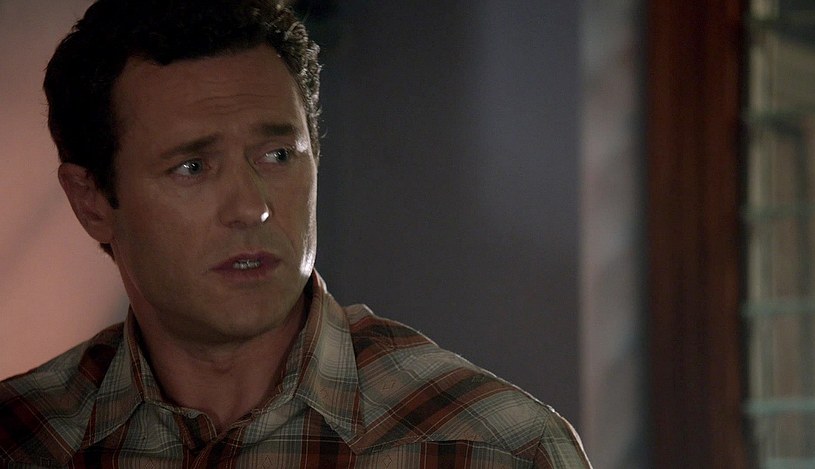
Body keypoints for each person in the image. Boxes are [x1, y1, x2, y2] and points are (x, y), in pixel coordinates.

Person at [0, 0, 592, 467]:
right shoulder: (24, 438)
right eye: (192, 167)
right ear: (91, 201)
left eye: (278, 155)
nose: (252, 207)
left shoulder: (491, 447)